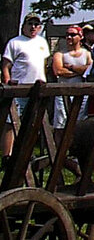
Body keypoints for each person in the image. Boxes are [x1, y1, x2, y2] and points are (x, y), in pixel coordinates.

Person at [2, 12, 51, 156]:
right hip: (19, 88)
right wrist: (7, 82)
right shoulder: (15, 42)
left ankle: (27, 152)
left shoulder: (42, 42)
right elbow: (5, 65)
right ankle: (7, 156)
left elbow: (44, 63)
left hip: (38, 88)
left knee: (35, 122)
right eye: (30, 24)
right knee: (11, 123)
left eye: (36, 24)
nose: (33, 27)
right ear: (24, 26)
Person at [51, 25, 93, 145]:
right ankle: (60, 152)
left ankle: (76, 149)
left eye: (73, 35)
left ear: (80, 37)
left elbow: (90, 69)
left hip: (81, 94)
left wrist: (72, 68)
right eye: (67, 35)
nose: (69, 37)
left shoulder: (87, 54)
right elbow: (59, 71)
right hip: (62, 93)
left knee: (80, 124)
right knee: (60, 124)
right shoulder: (60, 54)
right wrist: (80, 71)